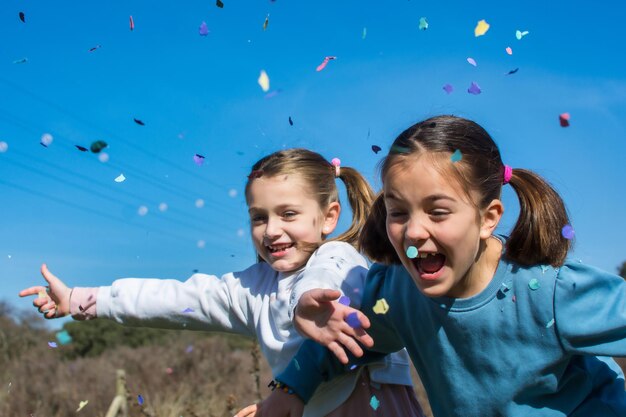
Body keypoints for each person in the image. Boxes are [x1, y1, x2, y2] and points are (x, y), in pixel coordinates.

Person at [19, 148, 424, 417]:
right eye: (259, 217)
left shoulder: (340, 257)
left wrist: (305, 304)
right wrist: (81, 300)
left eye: (288, 214)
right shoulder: (250, 288)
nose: (271, 231)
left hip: (373, 402)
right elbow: (175, 298)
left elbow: (322, 278)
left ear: (329, 217)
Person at [271, 116, 626, 417]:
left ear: (488, 219)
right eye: (398, 212)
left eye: (437, 211)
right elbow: (341, 338)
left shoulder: (548, 292)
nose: (413, 231)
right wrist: (289, 390)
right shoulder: (397, 293)